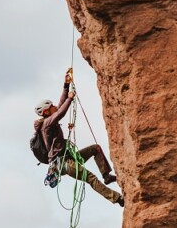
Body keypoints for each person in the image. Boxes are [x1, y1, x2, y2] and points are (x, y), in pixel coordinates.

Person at [34, 68, 124, 206]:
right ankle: (117, 198)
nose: (55, 106)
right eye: (51, 106)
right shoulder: (47, 124)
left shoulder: (48, 121)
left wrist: (66, 85)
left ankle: (106, 176)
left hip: (67, 159)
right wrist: (70, 98)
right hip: (64, 163)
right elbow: (61, 112)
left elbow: (59, 107)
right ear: (46, 111)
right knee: (91, 178)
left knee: (96, 149)